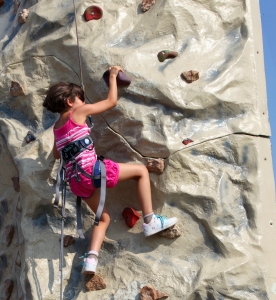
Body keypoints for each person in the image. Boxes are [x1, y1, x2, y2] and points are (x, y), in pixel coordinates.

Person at [42, 66, 178, 275]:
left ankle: (91, 259)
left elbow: (57, 155)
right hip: (92, 171)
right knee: (141, 171)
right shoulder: (78, 112)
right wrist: (113, 76)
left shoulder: (57, 128)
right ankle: (150, 221)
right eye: (80, 99)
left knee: (102, 218)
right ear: (70, 102)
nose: (84, 103)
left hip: (76, 182)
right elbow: (110, 102)